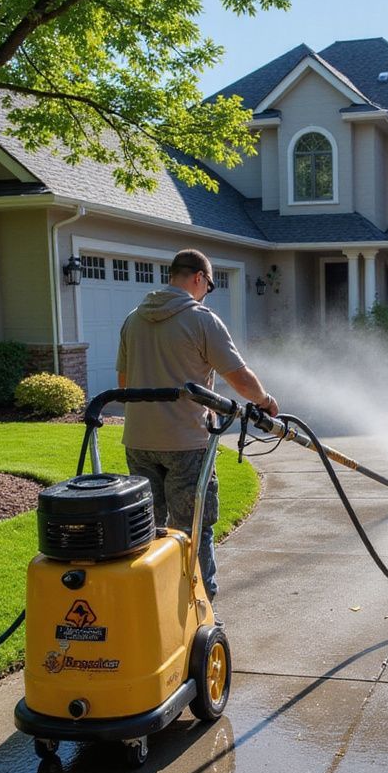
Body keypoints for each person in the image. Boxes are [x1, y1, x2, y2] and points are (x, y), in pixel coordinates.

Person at [116, 248, 279, 601]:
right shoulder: (202, 320)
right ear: (199, 278)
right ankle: (201, 610)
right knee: (195, 528)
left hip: (139, 441)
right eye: (209, 285)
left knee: (147, 529)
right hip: (187, 442)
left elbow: (124, 383)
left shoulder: (133, 319)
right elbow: (239, 377)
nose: (207, 292)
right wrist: (265, 402)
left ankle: (153, 604)